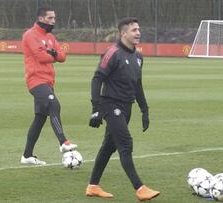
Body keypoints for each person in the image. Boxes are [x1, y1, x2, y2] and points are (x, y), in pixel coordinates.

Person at [85, 17, 160, 201]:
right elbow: (97, 79)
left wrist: (144, 110)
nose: (138, 33)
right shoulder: (112, 53)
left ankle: (93, 186)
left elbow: (138, 85)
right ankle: (140, 188)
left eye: (138, 29)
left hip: (127, 108)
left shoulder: (138, 57)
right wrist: (96, 108)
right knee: (125, 144)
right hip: (111, 106)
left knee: (108, 147)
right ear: (123, 33)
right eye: (134, 30)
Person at [20, 7, 77, 165]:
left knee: (39, 119)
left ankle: (27, 156)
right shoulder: (30, 35)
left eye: (54, 18)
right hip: (35, 81)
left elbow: (63, 56)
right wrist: (53, 54)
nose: (53, 21)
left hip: (48, 81)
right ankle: (63, 142)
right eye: (50, 18)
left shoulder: (50, 36)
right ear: (41, 18)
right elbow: (40, 56)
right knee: (54, 104)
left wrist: (51, 52)